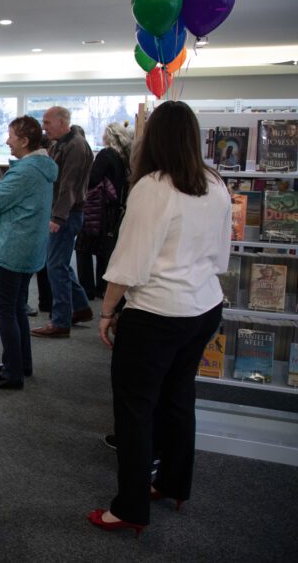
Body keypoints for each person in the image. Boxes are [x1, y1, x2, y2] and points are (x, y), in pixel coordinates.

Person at [90, 101, 230, 536]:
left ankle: (130, 507)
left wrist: (108, 310)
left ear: (154, 139)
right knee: (178, 398)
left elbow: (130, 261)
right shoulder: (214, 183)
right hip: (204, 306)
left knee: (135, 411)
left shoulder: (153, 186)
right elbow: (221, 255)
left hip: (156, 312)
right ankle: (173, 483)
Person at [0, 116, 57, 389]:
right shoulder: (41, 168)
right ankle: (21, 362)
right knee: (17, 308)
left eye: (11, 136)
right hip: (29, 247)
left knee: (6, 311)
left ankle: (12, 373)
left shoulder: (24, 171)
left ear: (24, 141)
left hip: (12, 247)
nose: (7, 140)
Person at [30, 106, 94, 338]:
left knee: (55, 266)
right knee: (61, 263)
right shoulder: (62, 143)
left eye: (47, 122)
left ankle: (60, 321)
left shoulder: (76, 146)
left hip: (66, 214)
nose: (43, 127)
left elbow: (69, 184)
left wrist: (58, 217)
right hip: (64, 211)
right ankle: (81, 307)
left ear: (61, 122)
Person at [77, 123, 132, 300]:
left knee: (83, 248)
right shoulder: (125, 157)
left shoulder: (105, 154)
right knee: (104, 250)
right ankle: (101, 286)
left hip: (97, 210)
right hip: (115, 209)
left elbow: (93, 180)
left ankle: (87, 289)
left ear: (108, 136)